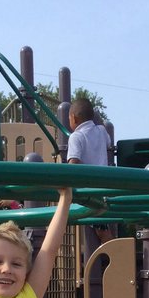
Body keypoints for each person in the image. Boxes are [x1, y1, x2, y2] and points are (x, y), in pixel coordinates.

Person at [66, 97, 113, 244]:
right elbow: (109, 143)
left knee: (101, 230)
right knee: (101, 225)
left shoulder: (76, 136)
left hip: (88, 191)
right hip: (104, 188)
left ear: (73, 118)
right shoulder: (101, 130)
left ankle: (112, 250)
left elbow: (73, 163)